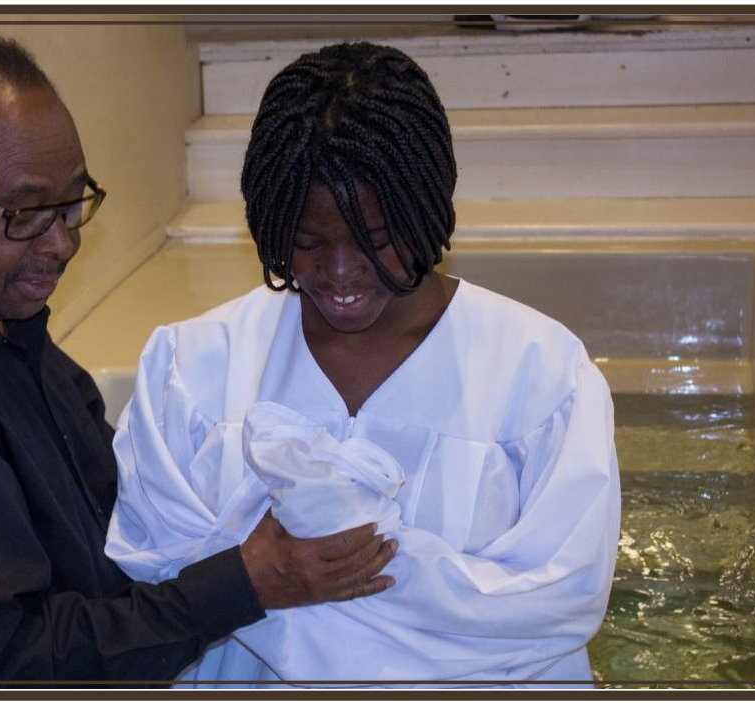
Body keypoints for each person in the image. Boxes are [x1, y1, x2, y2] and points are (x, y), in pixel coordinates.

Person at [0, 35, 397, 686]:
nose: (62, 243)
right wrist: (247, 582)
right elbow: (11, 670)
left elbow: (111, 525)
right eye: (27, 213)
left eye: (71, 204)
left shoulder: (3, 325)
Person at [105, 42, 621, 688]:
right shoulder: (193, 369)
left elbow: (556, 605)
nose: (342, 273)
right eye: (307, 241)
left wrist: (254, 585)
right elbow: (152, 578)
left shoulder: (541, 376)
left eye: (376, 240)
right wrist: (426, 598)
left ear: (426, 208)